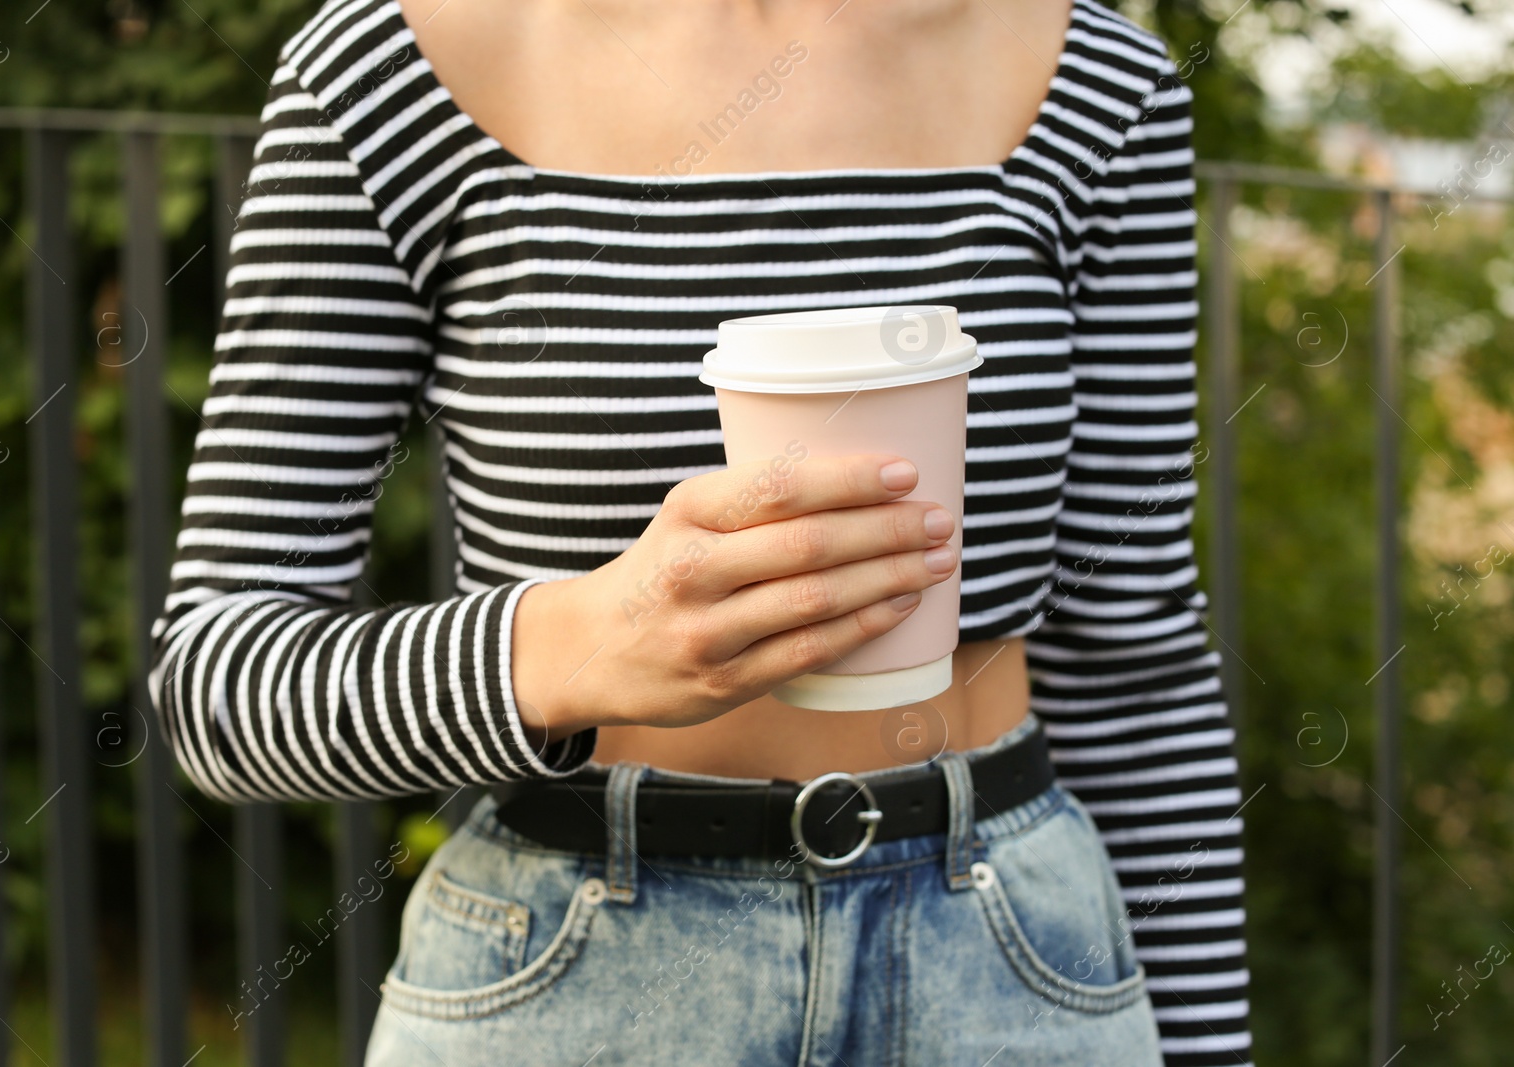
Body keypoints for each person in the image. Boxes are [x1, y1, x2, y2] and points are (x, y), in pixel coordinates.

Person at [149, 0, 1252, 1063]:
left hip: (1015, 972)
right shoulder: (384, 76)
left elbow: (1135, 669)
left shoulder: (1102, 86)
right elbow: (217, 689)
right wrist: (574, 645)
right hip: (575, 975)